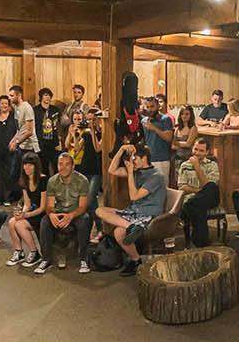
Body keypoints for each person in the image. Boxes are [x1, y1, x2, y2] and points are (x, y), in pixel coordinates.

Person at [94, 142, 166, 277]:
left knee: (118, 232)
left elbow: (134, 196)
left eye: (134, 158)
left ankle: (135, 260)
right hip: (133, 212)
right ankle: (131, 227)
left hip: (148, 214)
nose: (132, 162)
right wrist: (121, 149)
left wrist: (131, 172)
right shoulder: (137, 170)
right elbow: (112, 170)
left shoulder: (156, 176)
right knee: (99, 210)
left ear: (144, 158)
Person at [39, 151, 93, 272]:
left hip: (76, 213)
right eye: (60, 164)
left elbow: (83, 206)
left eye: (67, 164)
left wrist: (71, 215)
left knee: (85, 219)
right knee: (45, 221)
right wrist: (51, 214)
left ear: (73, 166)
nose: (63, 167)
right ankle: (46, 258)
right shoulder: (52, 181)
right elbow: (49, 205)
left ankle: (84, 258)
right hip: (59, 212)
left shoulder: (82, 180)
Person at [4, 154, 49, 272]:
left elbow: (43, 207)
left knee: (19, 224)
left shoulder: (43, 180)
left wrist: (26, 215)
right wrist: (22, 213)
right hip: (32, 210)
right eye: (25, 164)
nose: (27, 167)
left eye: (30, 165)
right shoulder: (24, 180)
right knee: (12, 222)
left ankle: (34, 253)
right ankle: (19, 251)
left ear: (36, 166)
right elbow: (27, 204)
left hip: (42, 213)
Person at [175, 135, 222, 248]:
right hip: (193, 200)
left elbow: (209, 186)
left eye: (201, 151)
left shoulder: (212, 165)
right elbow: (182, 187)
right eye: (195, 149)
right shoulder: (185, 165)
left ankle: (199, 240)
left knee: (210, 189)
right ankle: (202, 241)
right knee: (196, 205)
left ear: (207, 152)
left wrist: (196, 166)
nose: (197, 153)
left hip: (210, 198)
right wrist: (200, 191)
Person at [63, 109, 103, 219]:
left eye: (93, 119)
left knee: (90, 199)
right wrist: (74, 135)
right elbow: (77, 148)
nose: (90, 122)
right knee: (88, 201)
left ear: (98, 120)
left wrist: (93, 132)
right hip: (85, 168)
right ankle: (94, 224)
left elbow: (97, 148)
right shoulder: (86, 133)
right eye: (89, 119)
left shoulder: (103, 133)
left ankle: (98, 224)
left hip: (97, 170)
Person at [140, 95, 174, 185]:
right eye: (147, 107)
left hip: (161, 159)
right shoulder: (144, 121)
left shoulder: (165, 119)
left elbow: (169, 138)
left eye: (152, 106)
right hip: (148, 160)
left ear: (158, 106)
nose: (150, 109)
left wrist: (154, 128)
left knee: (162, 186)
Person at [32, 88, 62, 176]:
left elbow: (58, 125)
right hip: (41, 142)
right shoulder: (35, 110)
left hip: (53, 141)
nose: (47, 97)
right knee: (43, 167)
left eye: (49, 95)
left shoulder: (55, 110)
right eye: (45, 95)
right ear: (41, 97)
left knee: (56, 166)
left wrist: (59, 140)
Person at [7, 84, 36, 161]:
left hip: (29, 147)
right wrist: (13, 140)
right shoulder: (17, 108)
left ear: (19, 96)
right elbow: (19, 129)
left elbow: (30, 131)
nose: (9, 98)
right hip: (22, 145)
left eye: (12, 96)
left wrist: (16, 142)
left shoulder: (27, 108)